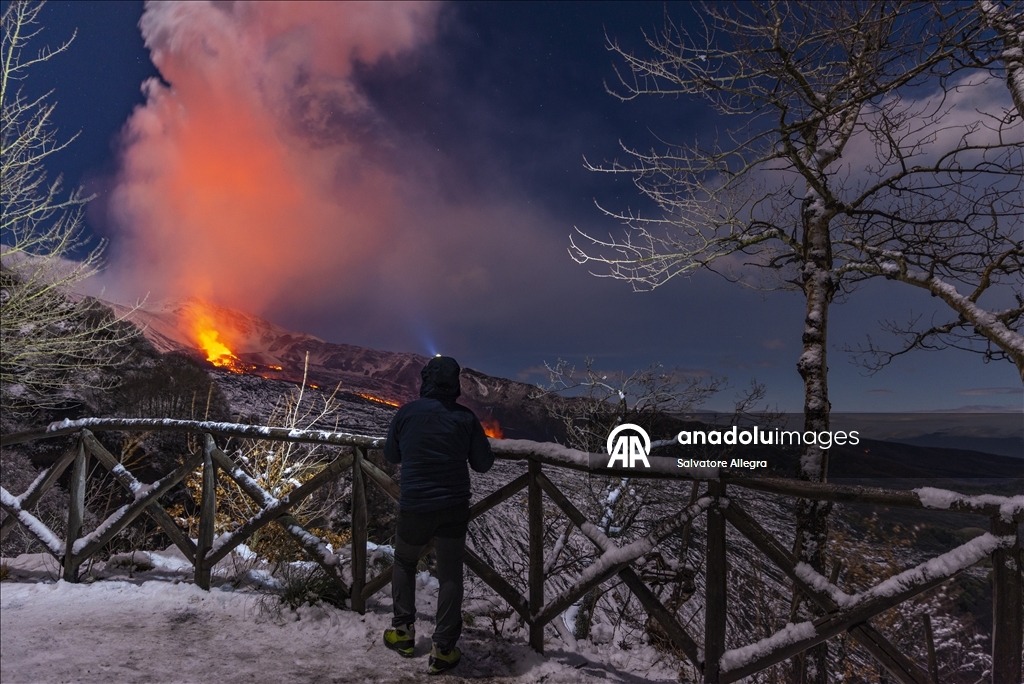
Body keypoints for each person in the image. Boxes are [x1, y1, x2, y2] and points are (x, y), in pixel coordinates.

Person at [382, 355, 495, 675]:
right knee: (450, 575)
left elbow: (391, 454)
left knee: (404, 561)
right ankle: (443, 649)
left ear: (425, 379)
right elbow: (483, 464)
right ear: (456, 383)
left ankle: (402, 633)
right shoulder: (466, 418)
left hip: (415, 505)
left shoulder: (406, 413)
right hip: (452, 508)